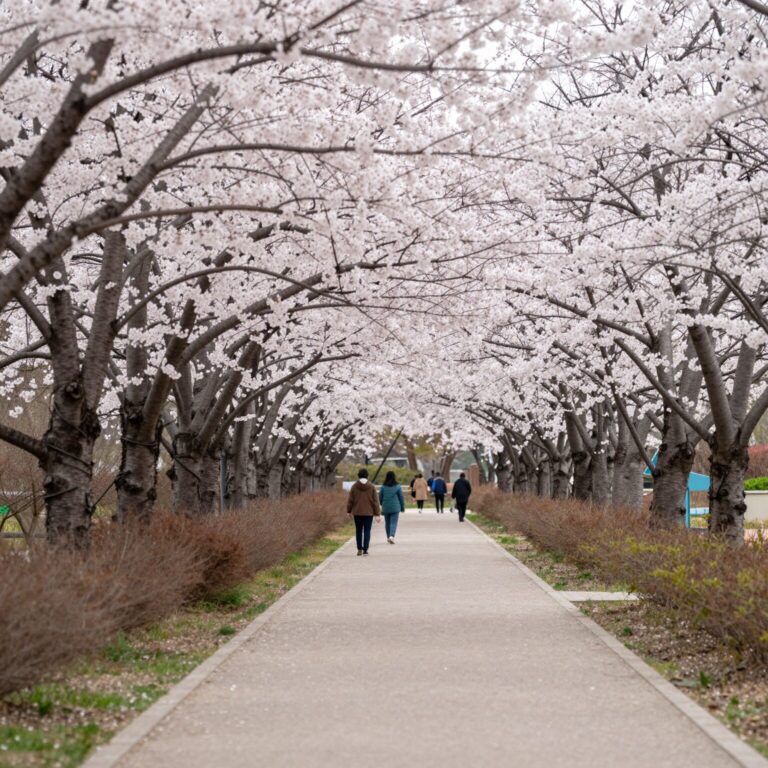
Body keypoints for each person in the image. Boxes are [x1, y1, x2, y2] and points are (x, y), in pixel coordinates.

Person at [346, 468, 381, 555]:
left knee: (358, 531)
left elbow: (350, 500)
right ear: (367, 476)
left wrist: (349, 511)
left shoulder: (354, 486)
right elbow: (376, 501)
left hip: (357, 512)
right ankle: (365, 550)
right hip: (368, 513)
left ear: (358, 476)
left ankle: (359, 549)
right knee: (367, 531)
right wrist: (377, 514)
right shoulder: (372, 486)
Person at [379, 470, 404, 544]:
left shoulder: (383, 487)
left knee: (387, 523)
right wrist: (402, 507)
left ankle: (388, 537)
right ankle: (391, 536)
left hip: (386, 507)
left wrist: (381, 504)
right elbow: (401, 498)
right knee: (393, 523)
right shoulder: (398, 487)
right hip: (395, 508)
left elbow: (380, 497)